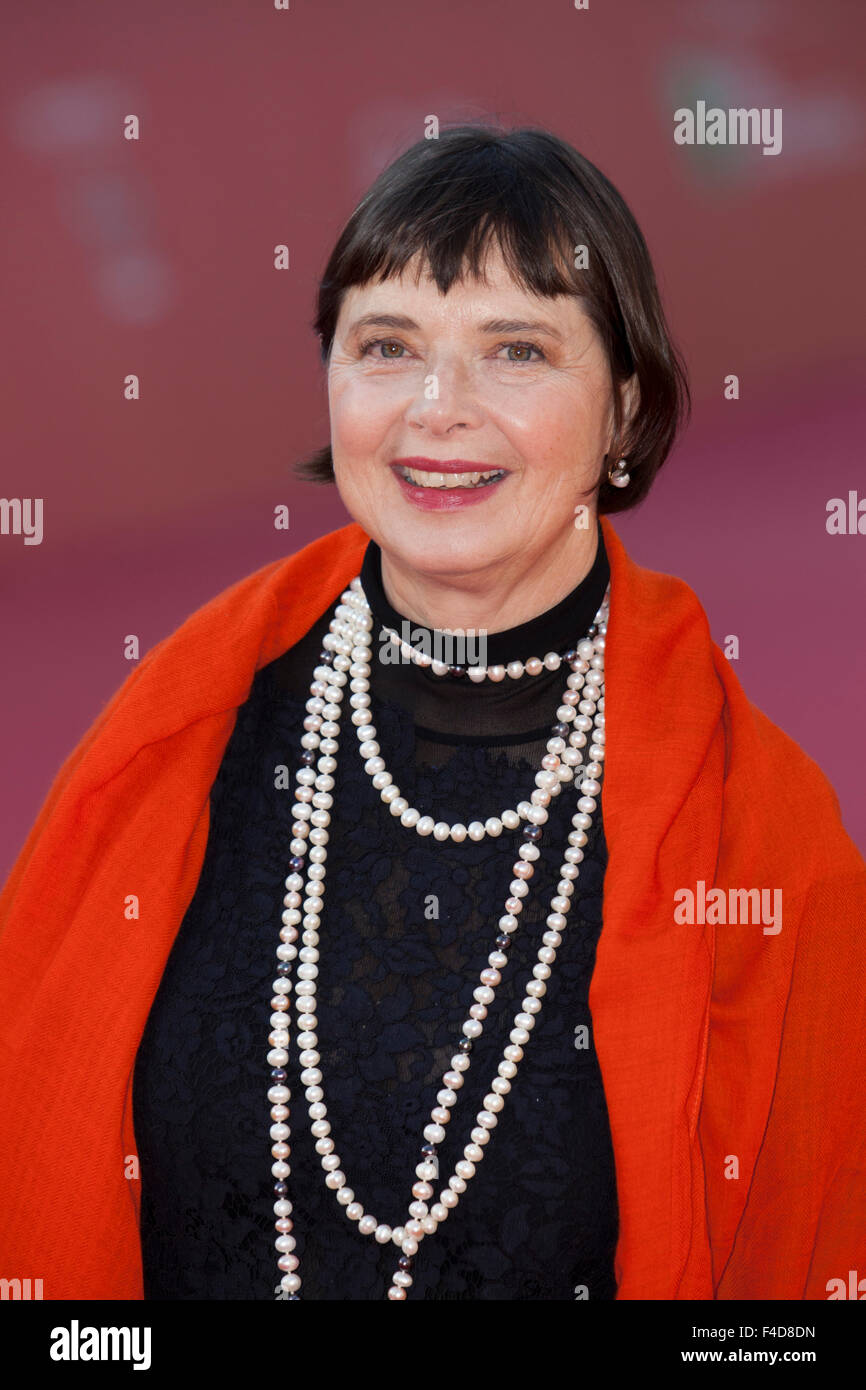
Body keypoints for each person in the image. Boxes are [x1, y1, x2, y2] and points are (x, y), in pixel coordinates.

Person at [1, 124, 864, 1302]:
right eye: (386, 346)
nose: (436, 408)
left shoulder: (760, 836)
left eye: (515, 349)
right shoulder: (178, 739)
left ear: (623, 408)